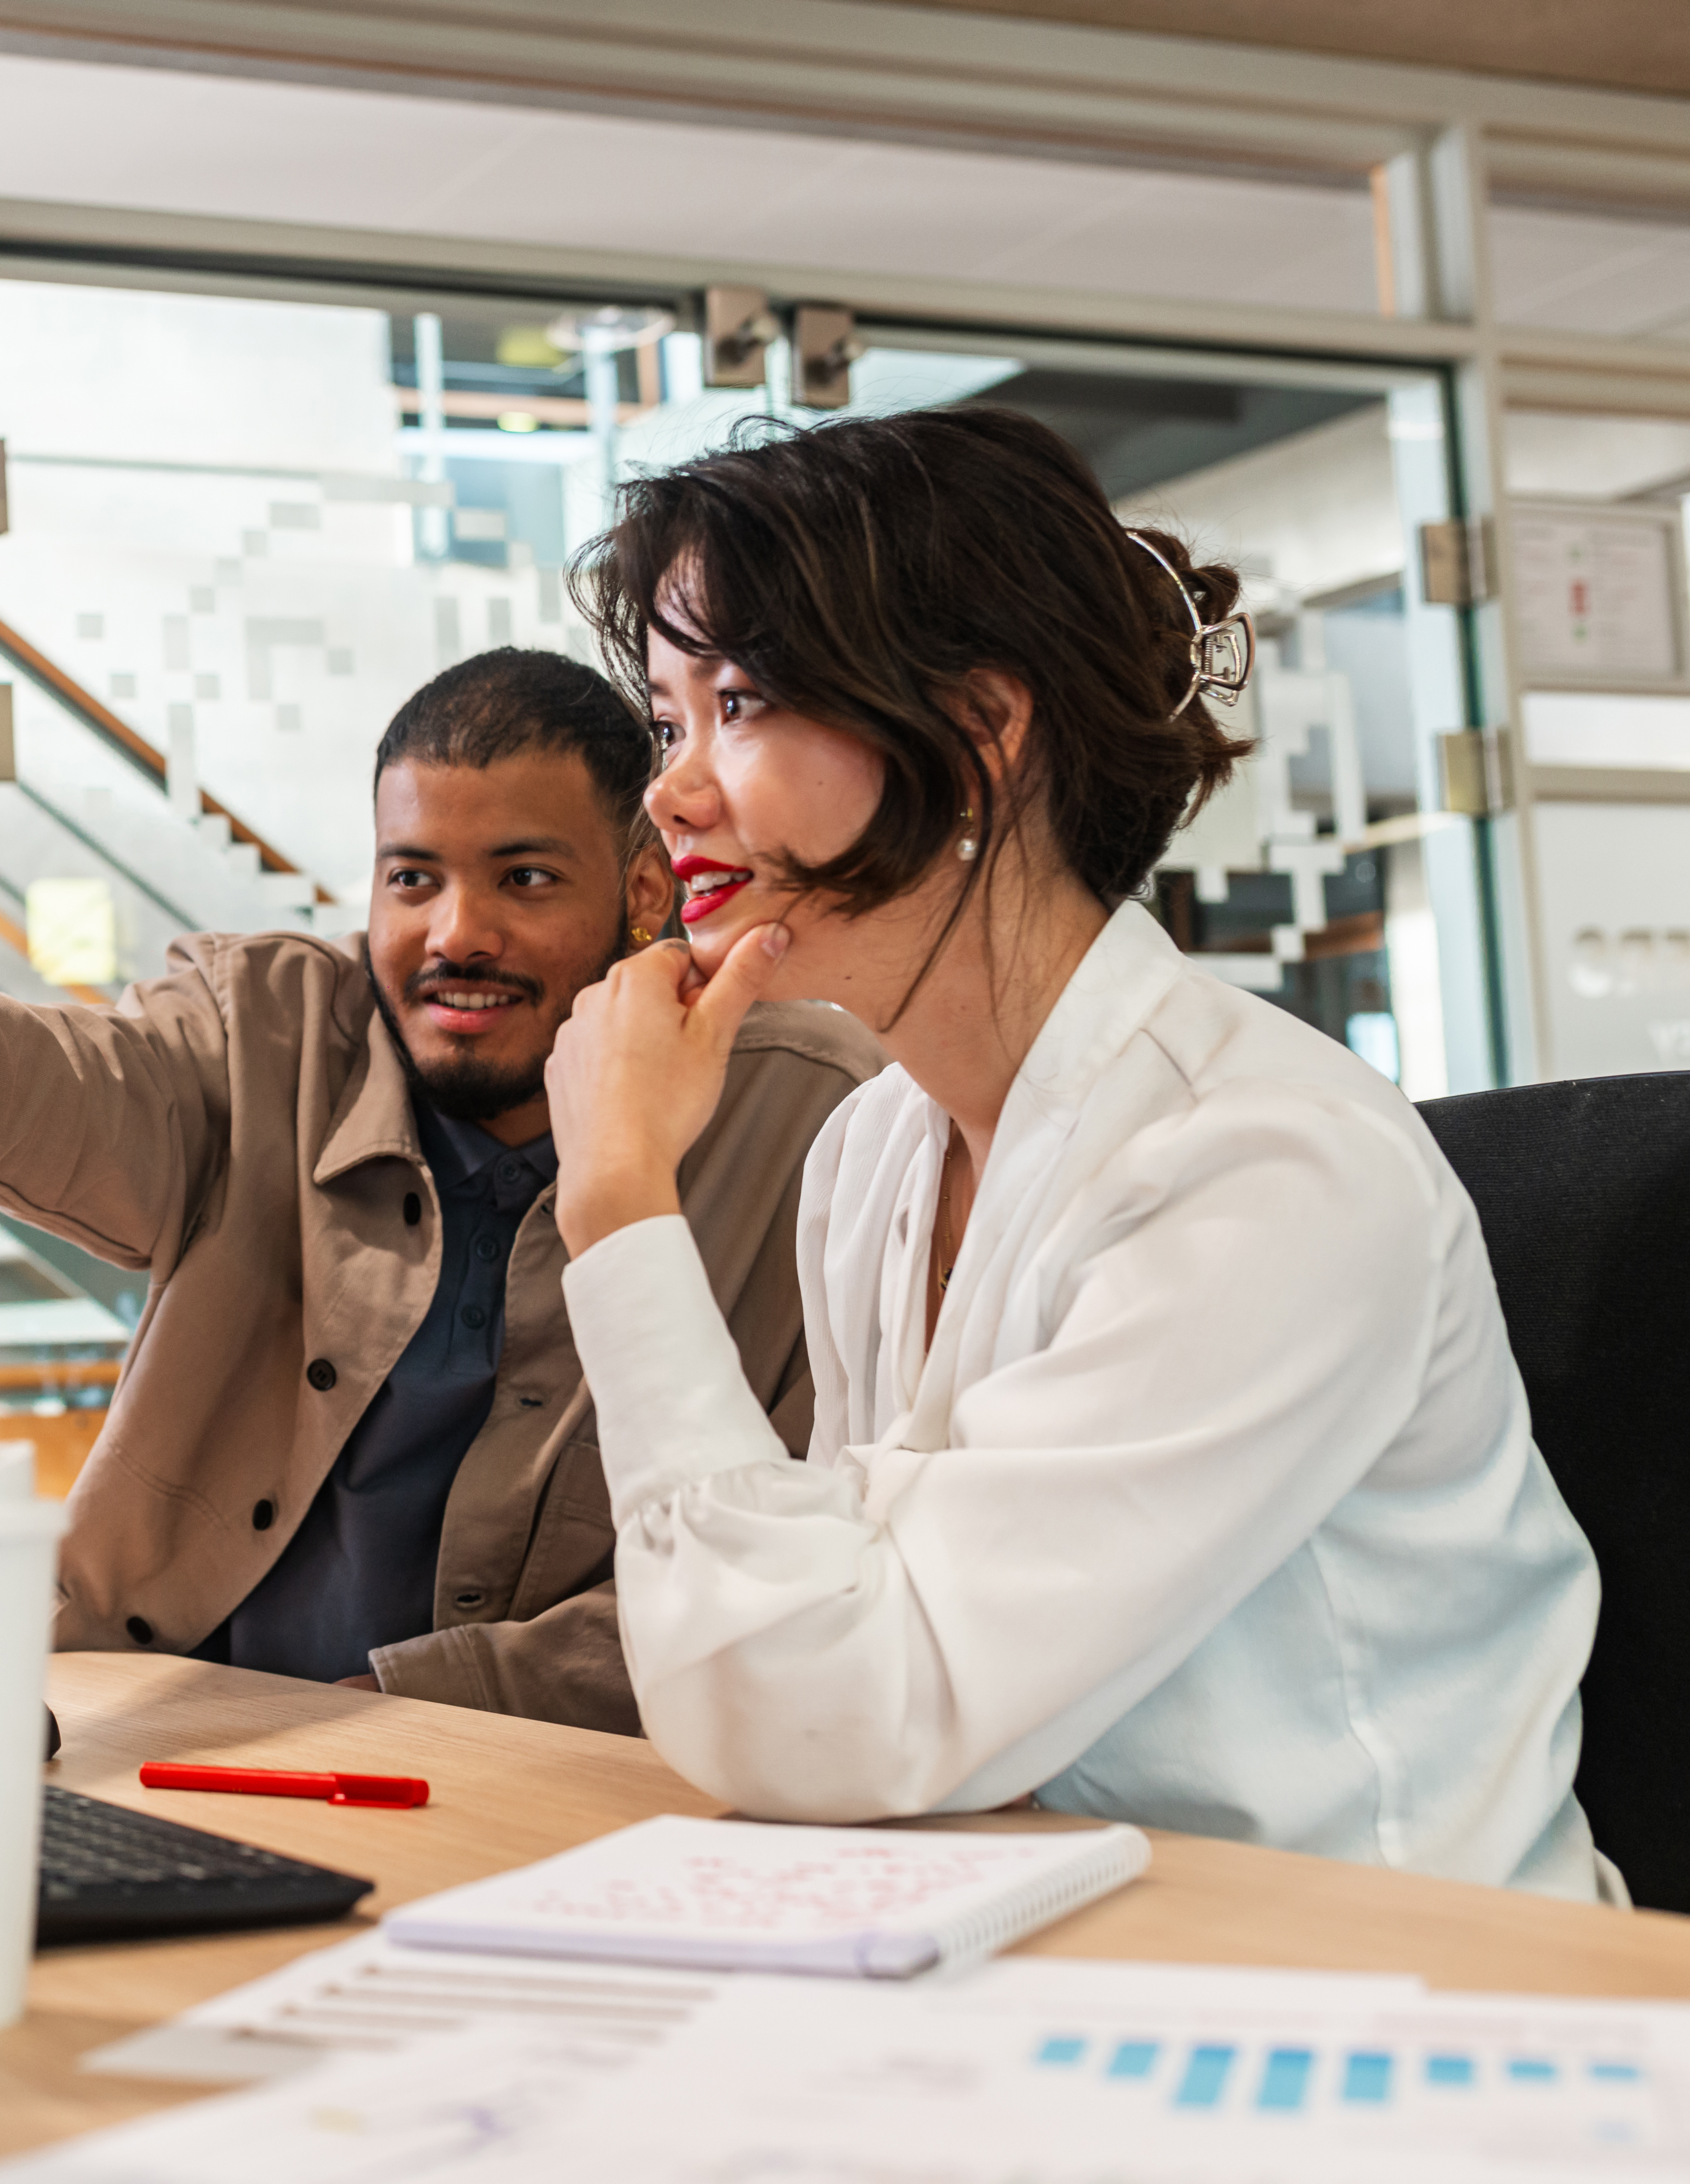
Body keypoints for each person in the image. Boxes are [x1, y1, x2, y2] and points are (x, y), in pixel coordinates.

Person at [543, 405, 1607, 1897]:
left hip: (1391, 2023)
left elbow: (824, 1715)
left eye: (743, 700)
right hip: (1054, 1949)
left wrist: (615, 1202)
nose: (668, 786)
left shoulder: (1265, 1165)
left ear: (981, 729)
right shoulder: (870, 1152)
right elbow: (847, 1681)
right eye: (667, 716)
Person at [0, 648, 881, 1730]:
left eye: (521, 878)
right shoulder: (265, 1031)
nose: (453, 934)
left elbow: (802, 1548)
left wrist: (409, 1709)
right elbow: (7, 1074)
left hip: (516, 1781)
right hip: (133, 1725)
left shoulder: (813, 1120)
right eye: (410, 878)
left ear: (644, 888)